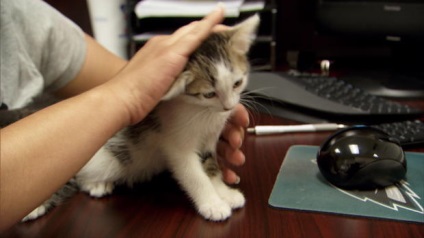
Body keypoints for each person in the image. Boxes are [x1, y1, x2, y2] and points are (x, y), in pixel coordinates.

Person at [0, 0, 249, 231]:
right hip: (97, 175)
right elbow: (179, 149)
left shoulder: (22, 14)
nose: (230, 104)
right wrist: (127, 95)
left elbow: (129, 79)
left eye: (237, 84)